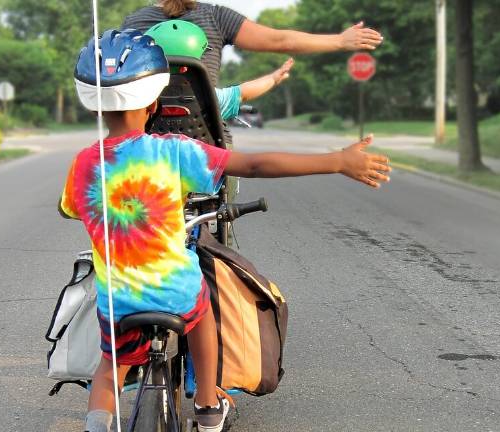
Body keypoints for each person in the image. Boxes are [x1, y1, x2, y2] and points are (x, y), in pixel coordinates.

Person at [65, 29, 390, 432]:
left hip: (117, 299)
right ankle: (206, 404)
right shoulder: (174, 152)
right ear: (154, 103)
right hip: (175, 291)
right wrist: (337, 161)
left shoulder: (83, 164)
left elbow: (71, 209)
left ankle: (97, 424)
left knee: (109, 367)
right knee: (202, 310)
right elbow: (254, 165)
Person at [122, 0, 384, 87]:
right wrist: (339, 41)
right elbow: (280, 40)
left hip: (145, 135)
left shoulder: (132, 23)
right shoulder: (215, 16)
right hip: (206, 137)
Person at [144, 19, 294, 121]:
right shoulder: (208, 97)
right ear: (188, 65)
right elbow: (244, 93)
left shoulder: (138, 97)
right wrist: (274, 78)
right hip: (202, 165)